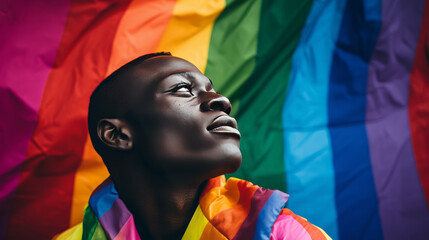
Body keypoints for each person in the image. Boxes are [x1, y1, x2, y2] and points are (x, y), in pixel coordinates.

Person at [54, 52, 331, 240]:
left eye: (211, 88)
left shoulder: (280, 233)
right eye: (183, 90)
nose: (221, 100)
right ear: (116, 135)